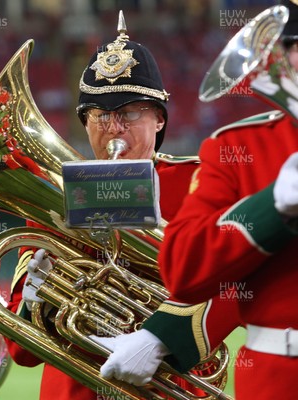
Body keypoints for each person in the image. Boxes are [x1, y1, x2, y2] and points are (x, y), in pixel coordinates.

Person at [7, 12, 240, 399]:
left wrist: (158, 338)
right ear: (85, 123)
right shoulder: (58, 196)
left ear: (159, 121)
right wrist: (36, 300)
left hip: (168, 386)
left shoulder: (201, 182)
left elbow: (233, 285)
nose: (114, 128)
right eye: (101, 115)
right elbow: (21, 353)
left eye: (129, 113)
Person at [158, 2, 298, 398]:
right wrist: (273, 205)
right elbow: (182, 270)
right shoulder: (238, 147)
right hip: (280, 377)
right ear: (285, 54)